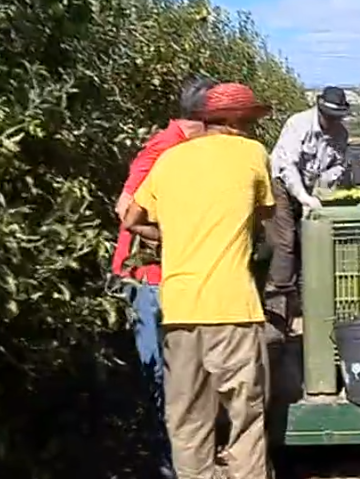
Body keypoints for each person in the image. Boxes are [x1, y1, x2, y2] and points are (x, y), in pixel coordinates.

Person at [122, 82, 274, 479]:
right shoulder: (253, 155)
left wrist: (172, 236)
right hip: (235, 310)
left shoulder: (169, 161)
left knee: (188, 424)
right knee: (245, 424)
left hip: (180, 309)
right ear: (239, 122)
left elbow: (130, 219)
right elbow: (262, 217)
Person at [110, 74, 217, 479]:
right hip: (148, 279)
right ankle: (165, 463)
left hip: (171, 275)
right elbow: (125, 208)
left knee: (181, 371)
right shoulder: (163, 149)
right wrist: (174, 237)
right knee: (161, 371)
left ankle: (181, 455)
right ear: (206, 118)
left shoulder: (188, 149)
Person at [266, 86, 350, 342]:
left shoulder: (341, 134)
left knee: (307, 243)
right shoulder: (298, 124)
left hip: (310, 188)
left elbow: (337, 166)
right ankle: (275, 311)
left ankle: (302, 305)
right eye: (327, 115)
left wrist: (325, 185)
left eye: (336, 117)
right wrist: (302, 197)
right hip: (281, 184)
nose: (331, 121)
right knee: (285, 244)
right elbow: (287, 166)